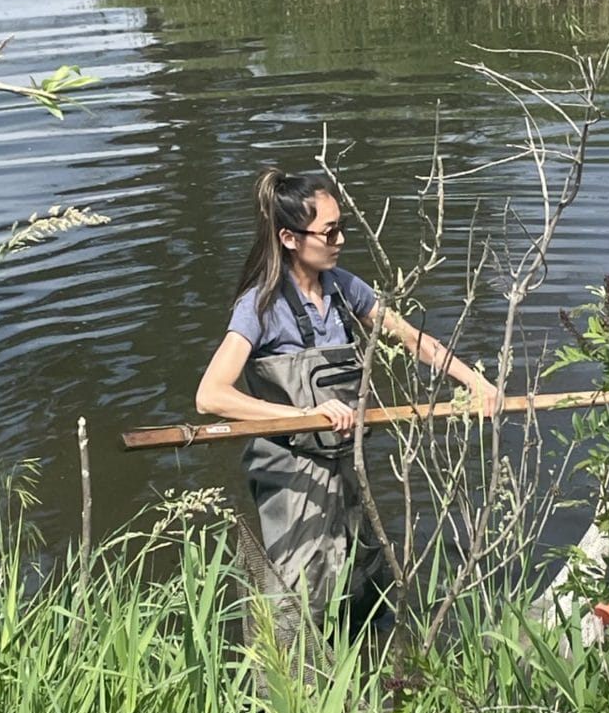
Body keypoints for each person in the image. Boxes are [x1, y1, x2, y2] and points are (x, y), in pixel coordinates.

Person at [196, 166, 497, 660]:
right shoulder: (260, 306)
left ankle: (376, 687)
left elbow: (412, 338)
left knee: (362, 578)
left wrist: (476, 383)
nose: (340, 240)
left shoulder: (341, 289)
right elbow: (211, 395)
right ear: (290, 238)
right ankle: (300, 699)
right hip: (291, 475)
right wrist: (302, 415)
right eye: (329, 231)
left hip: (343, 463)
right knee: (304, 592)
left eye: (341, 227)